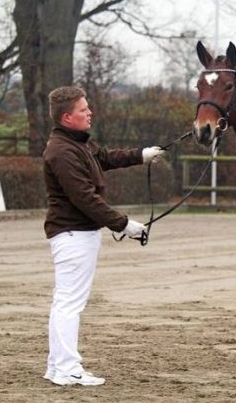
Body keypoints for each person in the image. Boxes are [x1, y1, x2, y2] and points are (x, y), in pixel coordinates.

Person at [41, 86, 164, 386]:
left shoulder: (77, 144)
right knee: (70, 303)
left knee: (66, 302)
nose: (89, 113)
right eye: (84, 110)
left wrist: (141, 155)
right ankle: (68, 369)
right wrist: (124, 225)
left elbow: (106, 158)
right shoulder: (62, 152)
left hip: (76, 235)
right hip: (72, 235)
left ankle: (57, 367)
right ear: (67, 117)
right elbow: (85, 198)